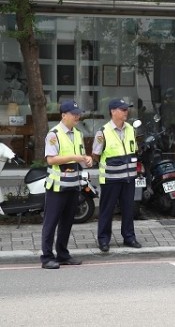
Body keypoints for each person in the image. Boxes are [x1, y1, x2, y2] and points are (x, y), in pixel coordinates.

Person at [40, 100, 93, 269]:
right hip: (57, 187)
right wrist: (74, 157)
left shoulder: (78, 133)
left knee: (67, 222)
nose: (77, 116)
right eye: (74, 114)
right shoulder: (54, 134)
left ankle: (62, 254)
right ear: (64, 115)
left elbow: (81, 156)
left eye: (78, 114)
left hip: (73, 185)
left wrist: (87, 159)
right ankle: (47, 257)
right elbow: (51, 159)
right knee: (51, 222)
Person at [93, 98, 141, 253]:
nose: (127, 112)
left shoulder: (130, 130)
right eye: (123, 109)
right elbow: (95, 154)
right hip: (111, 179)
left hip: (129, 178)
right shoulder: (103, 132)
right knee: (107, 210)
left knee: (128, 209)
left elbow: (134, 150)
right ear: (113, 111)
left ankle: (129, 237)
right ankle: (103, 240)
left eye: (127, 109)